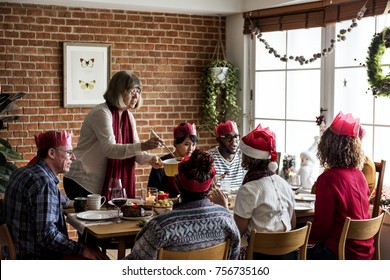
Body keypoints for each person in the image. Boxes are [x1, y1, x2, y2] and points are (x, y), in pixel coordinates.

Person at [3, 130, 108, 259]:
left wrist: (78, 203)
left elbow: (57, 199)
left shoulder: (23, 172)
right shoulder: (44, 183)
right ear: (52, 153)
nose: (73, 157)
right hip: (37, 259)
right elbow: (47, 236)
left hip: (14, 254)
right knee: (100, 259)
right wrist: (83, 250)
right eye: (69, 153)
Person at [125, 149, 241, 260]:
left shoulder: (161, 226)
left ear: (178, 184)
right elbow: (234, 256)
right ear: (210, 186)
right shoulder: (227, 219)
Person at [63, 71, 163, 200]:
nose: (136, 96)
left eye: (138, 92)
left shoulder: (129, 117)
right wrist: (143, 146)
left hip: (106, 184)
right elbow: (110, 150)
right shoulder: (102, 113)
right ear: (119, 92)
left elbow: (136, 152)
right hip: (83, 181)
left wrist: (150, 158)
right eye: (132, 92)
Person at [307, 112, 373, 260]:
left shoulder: (327, 179)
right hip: (365, 252)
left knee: (293, 251)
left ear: (327, 146)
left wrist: (302, 239)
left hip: (341, 252)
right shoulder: (359, 175)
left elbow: (321, 228)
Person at [234, 124, 296, 260]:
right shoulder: (284, 184)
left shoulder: (248, 189)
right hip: (289, 256)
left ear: (247, 157)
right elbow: (293, 223)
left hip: (260, 257)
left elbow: (237, 231)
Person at [147, 123, 198, 198]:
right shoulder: (161, 163)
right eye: (187, 144)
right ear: (176, 143)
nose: (191, 149)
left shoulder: (195, 163)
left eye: (193, 145)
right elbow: (151, 191)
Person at [208, 120, 245, 191]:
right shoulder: (209, 158)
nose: (234, 142)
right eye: (228, 137)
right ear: (219, 139)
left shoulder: (243, 157)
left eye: (236, 137)